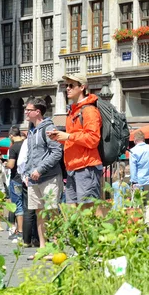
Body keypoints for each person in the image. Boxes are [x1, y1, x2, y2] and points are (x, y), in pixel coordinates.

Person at [47, 73, 102, 208]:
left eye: (71, 85)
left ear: (82, 87)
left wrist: (68, 136)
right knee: (72, 211)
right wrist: (60, 138)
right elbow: (75, 139)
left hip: (86, 167)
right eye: (66, 86)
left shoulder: (89, 110)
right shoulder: (72, 111)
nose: (67, 88)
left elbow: (93, 139)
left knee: (87, 211)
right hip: (72, 167)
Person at [22, 98, 64, 258]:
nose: (26, 112)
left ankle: (55, 248)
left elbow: (57, 152)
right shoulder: (31, 130)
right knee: (39, 213)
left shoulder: (48, 128)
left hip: (49, 177)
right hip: (33, 179)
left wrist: (40, 169)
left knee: (52, 212)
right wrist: (27, 172)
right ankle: (43, 248)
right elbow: (31, 155)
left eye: (28, 109)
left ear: (37, 111)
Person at [5, 126, 25, 242]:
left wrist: (5, 164)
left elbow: (11, 165)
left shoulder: (13, 148)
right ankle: (27, 231)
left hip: (16, 179)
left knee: (17, 204)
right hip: (26, 179)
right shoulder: (26, 144)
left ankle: (20, 231)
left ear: (11, 136)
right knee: (26, 204)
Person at [129, 130, 149, 202]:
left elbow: (133, 168)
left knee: (137, 204)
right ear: (144, 139)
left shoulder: (133, 151)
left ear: (135, 140)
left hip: (138, 181)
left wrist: (134, 182)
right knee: (148, 203)